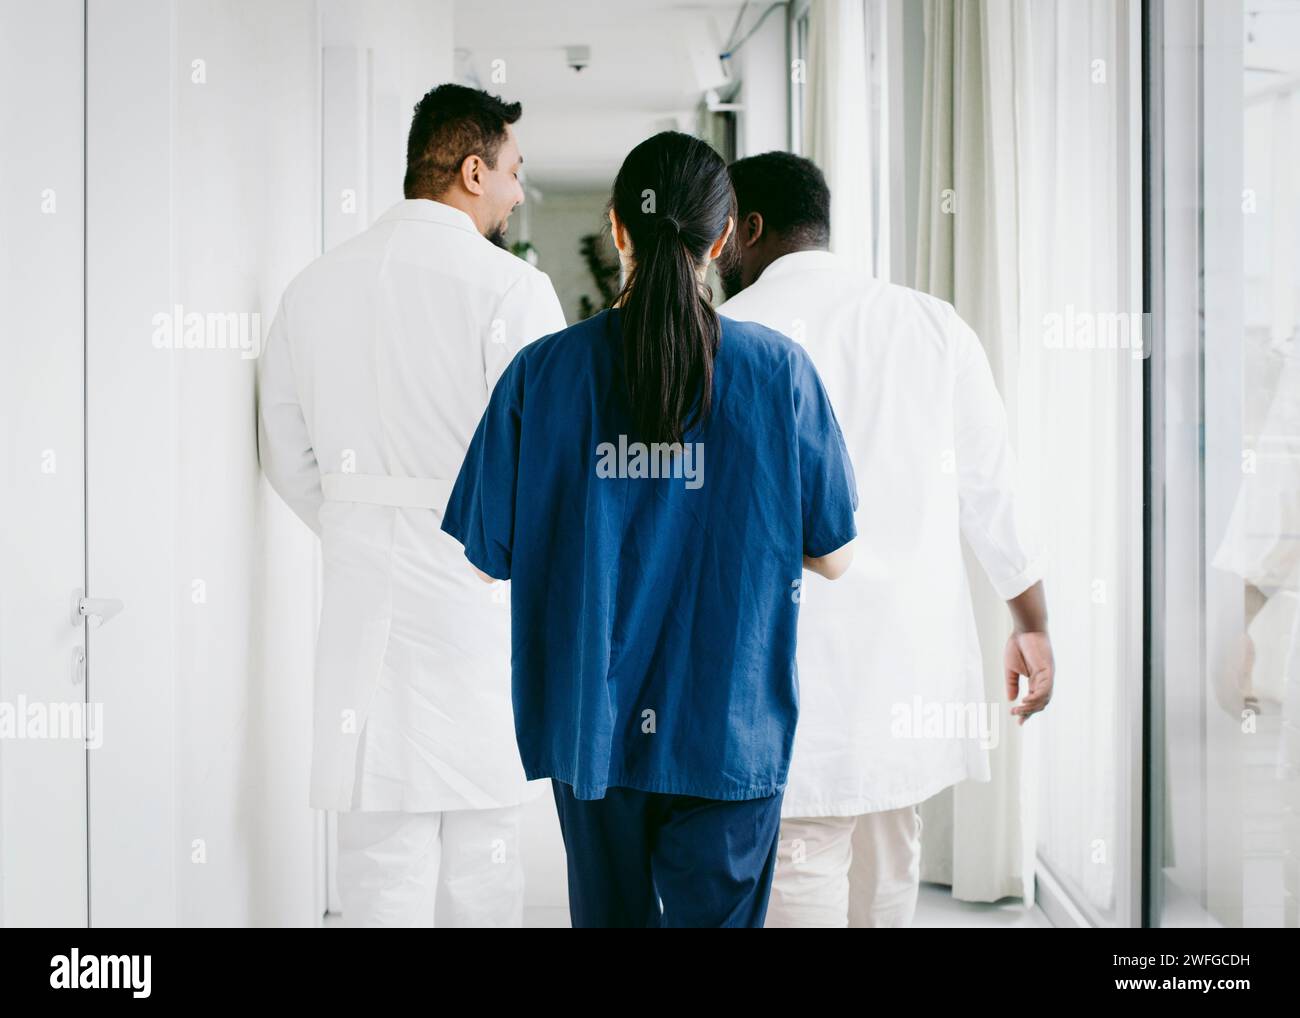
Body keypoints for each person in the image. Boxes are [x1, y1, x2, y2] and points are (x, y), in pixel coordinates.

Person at [439, 131, 859, 928]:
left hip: (595, 727)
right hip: (730, 725)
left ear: (617, 229)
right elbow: (834, 554)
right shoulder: (780, 374)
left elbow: (489, 559)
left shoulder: (543, 372)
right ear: (725, 237)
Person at [716, 151, 1054, 928]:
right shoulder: (933, 325)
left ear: (749, 229)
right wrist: (1031, 624)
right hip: (907, 664)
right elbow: (993, 491)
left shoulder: (727, 336)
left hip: (781, 664)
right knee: (889, 857)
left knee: (801, 861)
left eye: (723, 234)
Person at [257, 83, 566, 927]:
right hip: (475, 604)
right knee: (484, 864)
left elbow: (283, 448)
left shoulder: (313, 286)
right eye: (511, 172)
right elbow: (544, 461)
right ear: (472, 169)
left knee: (376, 862)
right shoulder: (514, 291)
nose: (515, 193)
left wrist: (357, 524)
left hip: (363, 600)